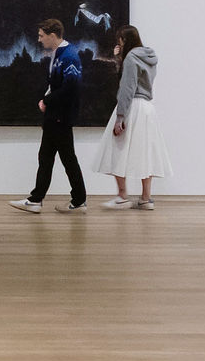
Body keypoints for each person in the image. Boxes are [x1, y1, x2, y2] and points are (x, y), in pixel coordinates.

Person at [9, 17, 87, 214]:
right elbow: (56, 84)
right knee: (47, 157)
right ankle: (38, 199)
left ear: (53, 35)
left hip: (60, 116)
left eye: (41, 36)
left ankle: (76, 200)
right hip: (55, 115)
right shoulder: (59, 54)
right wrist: (47, 99)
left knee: (65, 158)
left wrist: (47, 101)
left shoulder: (69, 56)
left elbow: (71, 87)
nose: (39, 39)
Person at [93, 24, 172, 209]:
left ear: (125, 40)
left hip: (132, 107)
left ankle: (122, 196)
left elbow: (127, 87)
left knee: (117, 148)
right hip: (147, 108)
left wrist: (120, 117)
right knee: (146, 153)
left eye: (120, 39)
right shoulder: (149, 57)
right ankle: (146, 198)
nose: (118, 42)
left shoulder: (131, 58)